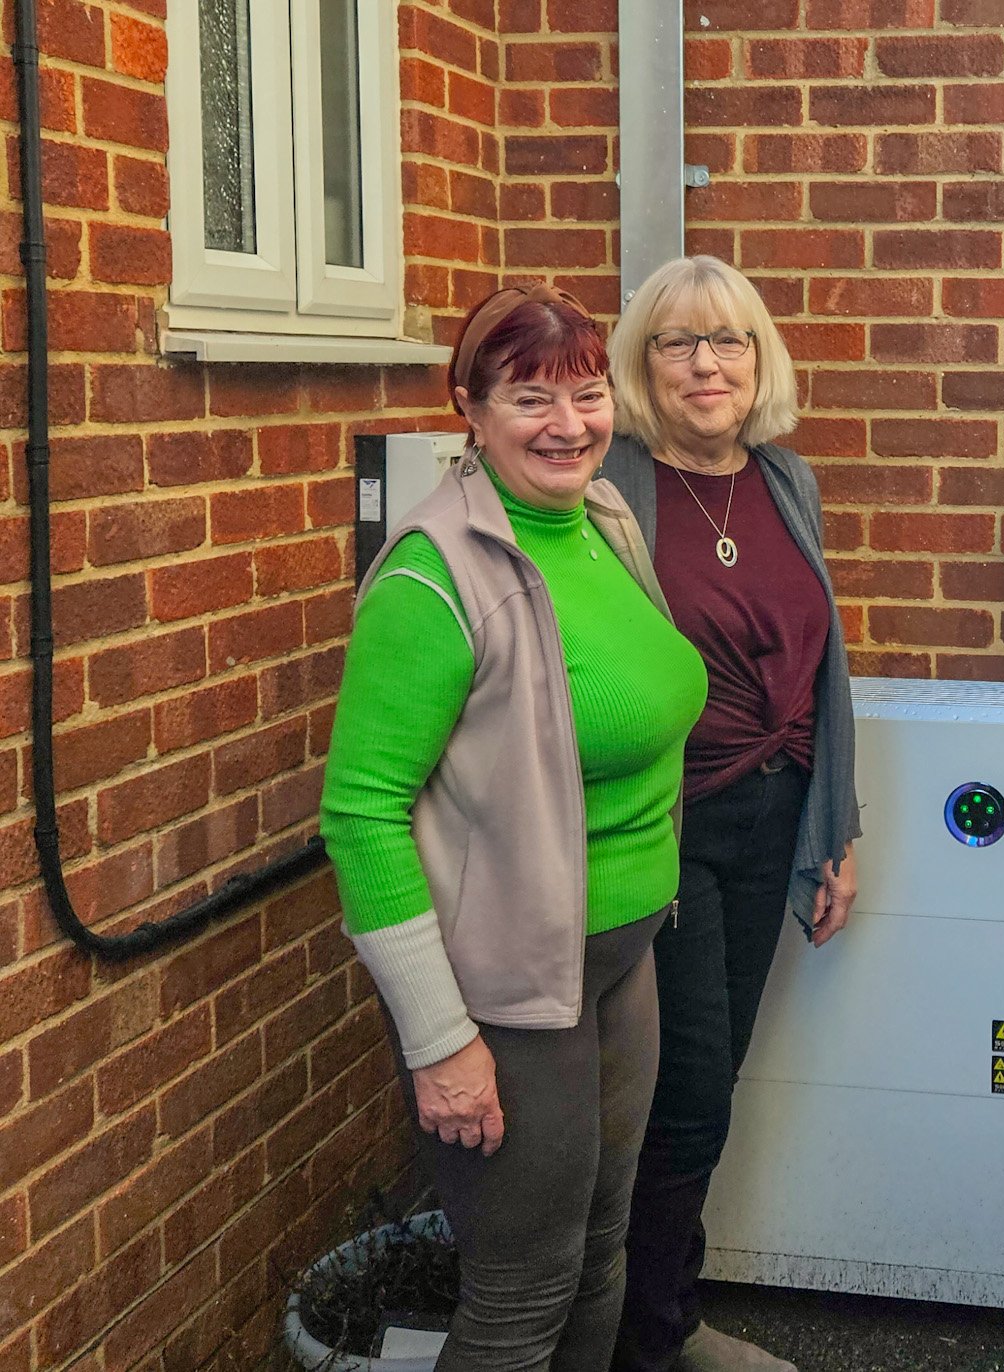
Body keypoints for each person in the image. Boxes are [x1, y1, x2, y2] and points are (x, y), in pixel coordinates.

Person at [319, 284, 708, 1371]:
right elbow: (360, 813)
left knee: (597, 1255)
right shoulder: (434, 572)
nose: (568, 424)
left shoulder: (602, 524)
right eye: (531, 399)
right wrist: (440, 1040)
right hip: (510, 991)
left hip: (620, 957)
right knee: (521, 1290)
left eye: (587, 394)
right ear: (471, 409)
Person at [600, 255, 860, 1372]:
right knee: (684, 1092)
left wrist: (834, 826)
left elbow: (823, 665)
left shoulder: (786, 480)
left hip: (775, 815)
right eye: (677, 341)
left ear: (759, 360)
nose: (706, 364)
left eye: (728, 340)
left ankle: (666, 1316)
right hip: (666, 829)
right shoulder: (610, 484)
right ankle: (645, 1340)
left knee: (712, 1079)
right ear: (642, 362)